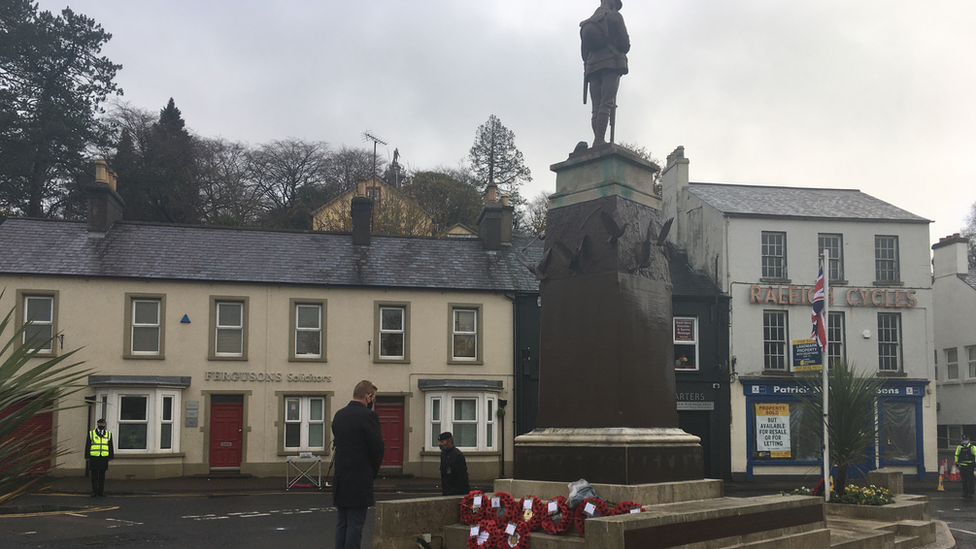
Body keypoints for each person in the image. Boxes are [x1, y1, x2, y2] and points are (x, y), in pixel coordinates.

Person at [332, 380, 385, 549]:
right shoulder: (369, 416)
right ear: (367, 396)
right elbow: (378, 448)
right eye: (373, 398)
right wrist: (372, 472)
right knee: (355, 524)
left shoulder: (339, 415)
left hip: (341, 477)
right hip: (359, 478)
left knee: (342, 524)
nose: (373, 402)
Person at [580, 0, 630, 147]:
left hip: (591, 68)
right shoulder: (615, 17)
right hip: (610, 63)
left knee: (595, 107)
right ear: (614, 3)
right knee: (606, 104)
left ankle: (598, 139)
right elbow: (625, 45)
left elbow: (583, 52)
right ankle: (599, 140)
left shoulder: (589, 22)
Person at [85, 418, 114, 497]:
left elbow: (110, 445)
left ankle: (101, 492)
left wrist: (111, 456)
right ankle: (94, 492)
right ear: (97, 424)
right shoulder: (91, 433)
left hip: (104, 457)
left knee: (102, 476)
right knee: (94, 476)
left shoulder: (108, 434)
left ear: (105, 425)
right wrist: (87, 456)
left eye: (103, 424)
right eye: (100, 424)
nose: (101, 425)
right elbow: (88, 445)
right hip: (94, 457)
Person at [438, 432, 470, 496]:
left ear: (449, 441)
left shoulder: (457, 455)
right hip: (446, 490)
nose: (440, 444)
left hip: (456, 491)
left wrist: (465, 494)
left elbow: (462, 476)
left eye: (442, 442)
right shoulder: (443, 454)